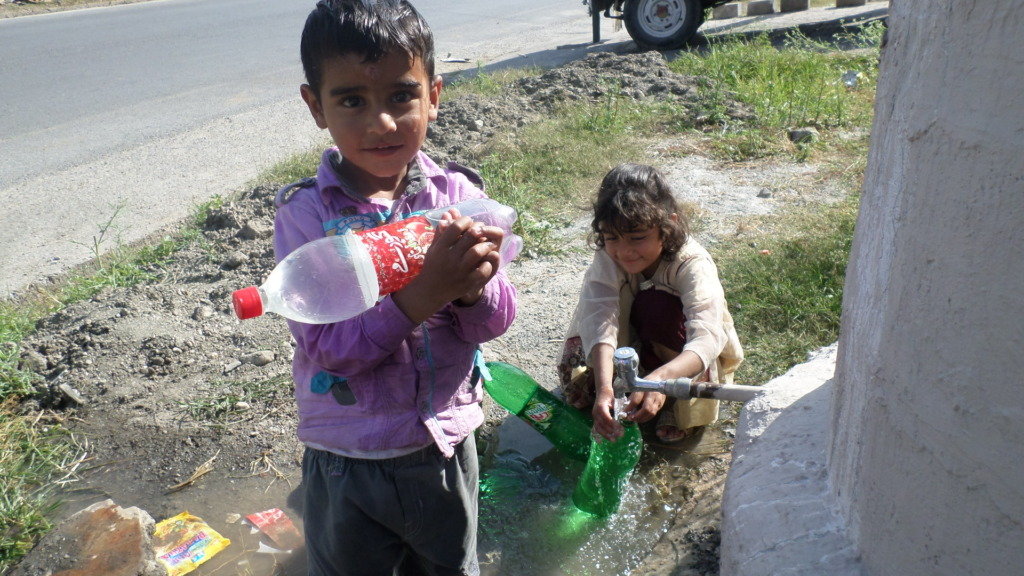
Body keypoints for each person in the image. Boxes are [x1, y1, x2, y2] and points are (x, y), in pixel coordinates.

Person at [274, 1, 517, 574]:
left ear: (433, 95)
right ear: (315, 106)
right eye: (351, 100)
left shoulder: (457, 198)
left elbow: (495, 321)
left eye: (401, 96)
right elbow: (328, 348)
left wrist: (470, 289)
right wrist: (424, 293)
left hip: (444, 447)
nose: (381, 123)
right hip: (348, 460)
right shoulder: (308, 217)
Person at [559, 163, 742, 443]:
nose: (624, 251)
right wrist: (605, 387)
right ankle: (617, 384)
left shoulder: (692, 263)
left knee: (656, 307)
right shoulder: (609, 255)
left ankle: (673, 403)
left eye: (638, 238)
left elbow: (706, 338)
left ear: (668, 226)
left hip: (676, 352)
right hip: (634, 341)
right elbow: (599, 316)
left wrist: (661, 381)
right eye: (611, 238)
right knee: (601, 308)